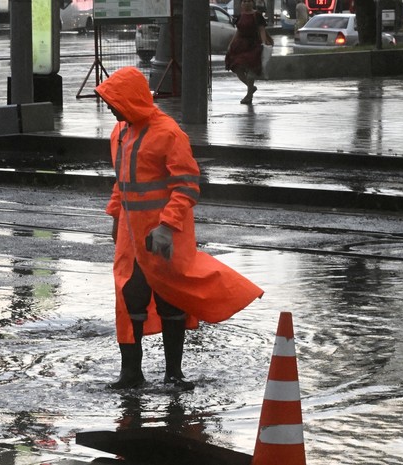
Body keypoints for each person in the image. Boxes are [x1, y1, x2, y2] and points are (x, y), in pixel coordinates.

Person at [94, 67, 264, 391]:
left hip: (163, 236)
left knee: (170, 298)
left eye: (114, 102)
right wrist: (116, 217)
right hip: (132, 237)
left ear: (131, 100)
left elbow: (186, 185)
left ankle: (173, 374)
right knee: (129, 298)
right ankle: (131, 373)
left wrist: (167, 227)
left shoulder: (168, 133)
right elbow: (123, 183)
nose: (111, 108)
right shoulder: (120, 133)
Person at [225, 0, 274, 104]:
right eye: (244, 1)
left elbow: (262, 30)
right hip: (240, 45)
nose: (246, 3)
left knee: (251, 70)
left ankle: (249, 96)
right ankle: (251, 88)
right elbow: (238, 31)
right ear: (241, 4)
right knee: (236, 66)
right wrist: (231, 43)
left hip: (254, 45)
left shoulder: (257, 15)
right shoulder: (240, 16)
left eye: (248, 1)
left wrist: (264, 43)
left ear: (252, 3)